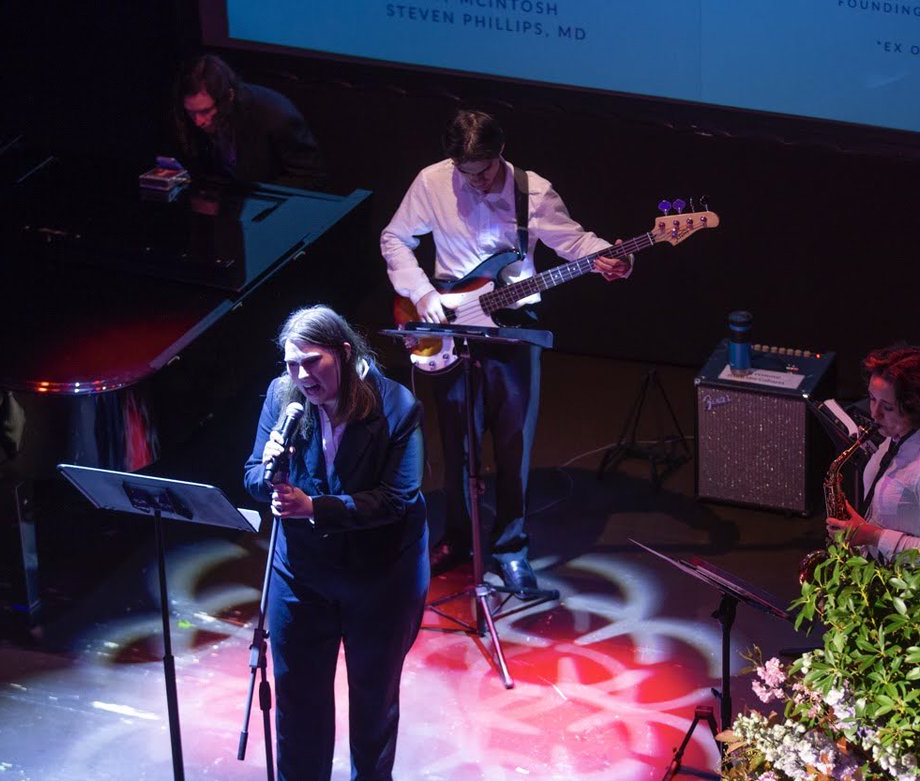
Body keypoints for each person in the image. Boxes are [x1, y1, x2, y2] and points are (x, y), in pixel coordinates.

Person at [379, 109, 631, 593]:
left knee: (514, 445)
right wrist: (422, 293)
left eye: (484, 172)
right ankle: (456, 537)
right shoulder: (432, 181)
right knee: (457, 443)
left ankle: (511, 546)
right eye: (465, 173)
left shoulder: (533, 191)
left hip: (515, 324)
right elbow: (395, 238)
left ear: (500, 154)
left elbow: (572, 240)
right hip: (450, 319)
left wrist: (607, 258)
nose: (475, 183)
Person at [243, 305, 428, 781]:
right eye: (291, 363)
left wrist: (314, 507)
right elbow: (251, 477)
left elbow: (396, 499)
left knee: (373, 703)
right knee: (299, 703)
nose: (301, 375)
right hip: (301, 571)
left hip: (381, 573)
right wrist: (269, 478)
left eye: (312, 362)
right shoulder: (281, 396)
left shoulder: (396, 407)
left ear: (343, 354)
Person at [826, 345, 920, 562]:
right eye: (872, 399)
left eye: (887, 407)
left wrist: (873, 536)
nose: (874, 414)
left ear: (916, 407)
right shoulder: (896, 435)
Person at [174, 53, 327, 190]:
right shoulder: (186, 115)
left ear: (229, 97)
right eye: (191, 112)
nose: (198, 121)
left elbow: (311, 179)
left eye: (206, 111)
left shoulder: (277, 117)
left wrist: (251, 193)